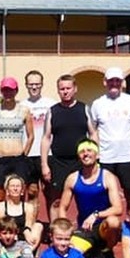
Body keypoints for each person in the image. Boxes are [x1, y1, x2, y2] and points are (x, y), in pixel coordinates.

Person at [58, 139, 123, 258]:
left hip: (104, 228)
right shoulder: (72, 178)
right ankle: (92, 251)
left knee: (114, 222)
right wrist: (64, 230)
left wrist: (96, 215)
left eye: (89, 151)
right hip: (85, 228)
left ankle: (107, 251)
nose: (85, 154)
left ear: (97, 155)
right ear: (78, 156)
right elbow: (62, 207)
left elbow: (118, 208)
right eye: (82, 152)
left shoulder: (107, 177)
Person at [40, 74, 96, 221]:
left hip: (80, 162)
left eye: (68, 88)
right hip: (58, 162)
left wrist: (95, 155)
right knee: (56, 200)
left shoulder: (84, 109)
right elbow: (46, 138)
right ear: (58, 91)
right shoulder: (53, 111)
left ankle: (85, 230)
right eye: (62, 89)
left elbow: (93, 133)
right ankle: (55, 230)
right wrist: (44, 164)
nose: (65, 91)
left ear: (75, 89)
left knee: (84, 198)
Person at [88, 67, 130, 201]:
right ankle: (106, 220)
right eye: (111, 81)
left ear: (121, 82)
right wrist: (97, 150)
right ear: (105, 82)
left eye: (117, 80)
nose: (114, 84)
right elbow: (93, 129)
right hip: (106, 157)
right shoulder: (98, 104)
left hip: (126, 156)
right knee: (105, 192)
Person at [0, 76, 34, 202]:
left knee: (19, 197)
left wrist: (24, 154)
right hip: (0, 160)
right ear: (1, 91)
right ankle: (0, 222)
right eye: (5, 90)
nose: (8, 93)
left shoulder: (24, 110)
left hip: (18, 159)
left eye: (11, 90)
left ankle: (19, 221)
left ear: (16, 91)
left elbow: (31, 136)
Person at [20, 70, 56, 203]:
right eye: (31, 84)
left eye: (37, 84)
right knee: (32, 192)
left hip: (48, 154)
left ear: (42, 84)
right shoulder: (21, 106)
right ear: (26, 85)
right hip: (29, 155)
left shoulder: (51, 104)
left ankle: (53, 223)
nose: (34, 87)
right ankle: (31, 222)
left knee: (50, 192)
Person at [0, 174, 43, 248]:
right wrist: (16, 234)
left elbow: (28, 227)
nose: (15, 188)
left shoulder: (28, 207)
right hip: (8, 237)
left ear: (22, 191)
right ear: (7, 190)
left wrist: (25, 231)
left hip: (24, 238)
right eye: (12, 186)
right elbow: (3, 226)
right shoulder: (0, 207)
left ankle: (28, 252)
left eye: (18, 186)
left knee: (38, 226)